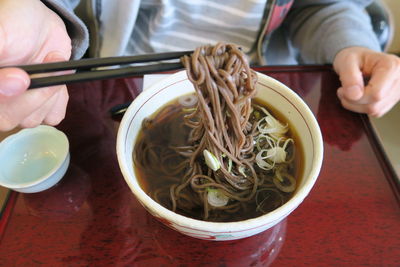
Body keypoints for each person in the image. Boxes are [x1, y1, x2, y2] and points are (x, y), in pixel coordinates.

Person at [0, 0, 399, 131]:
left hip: (255, 79)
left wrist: (351, 44)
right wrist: (42, 10)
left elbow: (321, 7)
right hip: (120, 79)